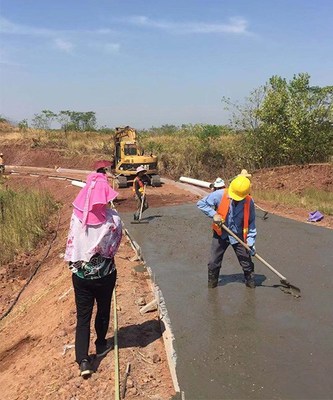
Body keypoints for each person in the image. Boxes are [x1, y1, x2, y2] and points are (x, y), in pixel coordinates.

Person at [64, 161, 122, 377]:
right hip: (105, 275)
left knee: (83, 317)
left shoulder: (76, 218)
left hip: (80, 276)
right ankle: (100, 343)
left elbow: (72, 244)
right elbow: (112, 250)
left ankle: (83, 361)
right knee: (103, 309)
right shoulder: (113, 220)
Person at [197, 175, 257, 289]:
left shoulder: (249, 202)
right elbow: (201, 204)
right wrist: (214, 215)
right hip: (221, 234)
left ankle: (251, 283)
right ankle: (212, 284)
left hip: (238, 235)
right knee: (213, 262)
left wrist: (250, 241)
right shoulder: (220, 194)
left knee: (247, 263)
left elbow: (252, 223)